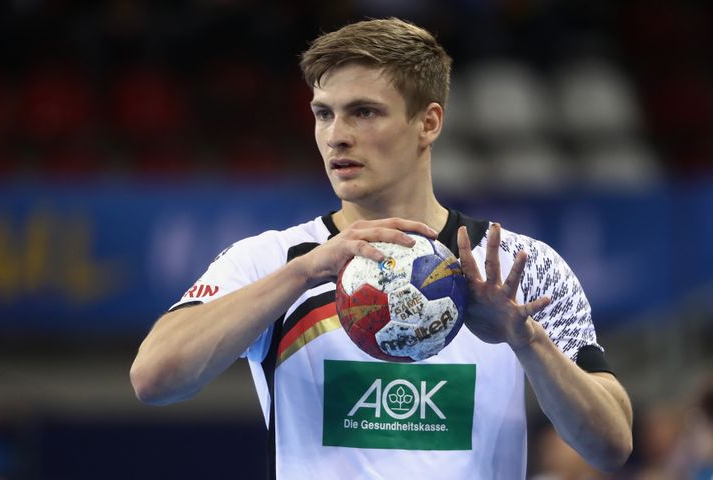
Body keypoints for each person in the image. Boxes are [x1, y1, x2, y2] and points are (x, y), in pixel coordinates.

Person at [130, 18, 633, 479]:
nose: (337, 136)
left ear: (429, 123)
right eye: (323, 114)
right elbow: (154, 379)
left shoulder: (518, 265)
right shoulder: (274, 260)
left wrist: (527, 341)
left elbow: (611, 446)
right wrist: (303, 274)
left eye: (364, 112)